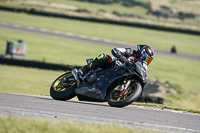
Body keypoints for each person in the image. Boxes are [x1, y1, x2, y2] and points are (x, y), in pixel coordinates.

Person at [78, 44, 155, 77]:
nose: (146, 60)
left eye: (149, 60)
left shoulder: (141, 66)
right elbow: (115, 50)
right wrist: (123, 59)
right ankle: (85, 69)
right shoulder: (130, 52)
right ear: (142, 52)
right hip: (113, 64)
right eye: (146, 57)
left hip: (120, 74)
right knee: (105, 57)